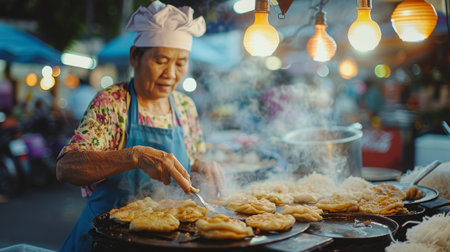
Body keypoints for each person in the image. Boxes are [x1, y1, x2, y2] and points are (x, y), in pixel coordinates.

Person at [56, 2, 224, 251]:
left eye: (180, 63)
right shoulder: (113, 102)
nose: (171, 73)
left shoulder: (185, 106)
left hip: (166, 242)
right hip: (105, 240)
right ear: (135, 56)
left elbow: (191, 163)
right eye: (161, 60)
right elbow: (65, 168)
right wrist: (134, 155)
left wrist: (201, 167)